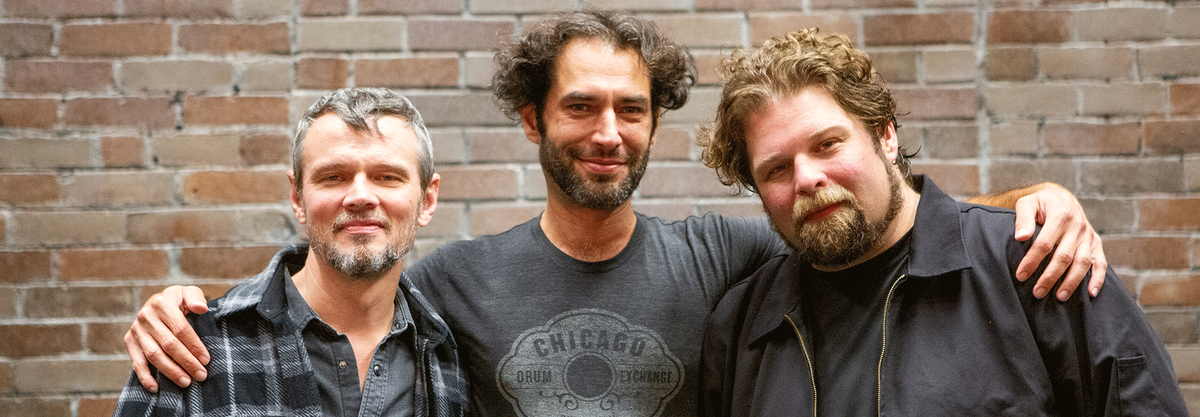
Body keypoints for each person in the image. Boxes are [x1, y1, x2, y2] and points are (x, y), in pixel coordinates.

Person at [122, 11, 1108, 417]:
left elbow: (867, 224)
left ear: (653, 124)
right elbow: (344, 283)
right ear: (533, 119)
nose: (608, 132)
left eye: (631, 110)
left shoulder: (721, 255)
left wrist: (1033, 204)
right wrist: (190, 307)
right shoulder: (452, 282)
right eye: (581, 107)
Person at [697, 28, 1186, 416]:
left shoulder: (1037, 262)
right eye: (777, 169)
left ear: (885, 136)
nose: (806, 178)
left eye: (827, 144)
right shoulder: (740, 327)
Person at [113, 88, 468, 416]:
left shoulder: (454, 355)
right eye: (333, 177)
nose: (360, 196)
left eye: (387, 176)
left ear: (427, 200)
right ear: (298, 198)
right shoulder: (188, 345)